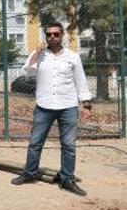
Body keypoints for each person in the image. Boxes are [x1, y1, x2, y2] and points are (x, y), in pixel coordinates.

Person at [11, 21, 92, 196]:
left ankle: (67, 179)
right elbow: (27, 71)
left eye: (56, 34)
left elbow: (81, 80)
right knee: (35, 143)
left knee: (69, 145)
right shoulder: (39, 55)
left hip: (68, 106)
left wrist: (86, 104)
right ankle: (29, 173)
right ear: (45, 36)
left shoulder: (73, 57)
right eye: (49, 34)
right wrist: (37, 54)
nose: (52, 37)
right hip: (44, 105)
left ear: (62, 35)